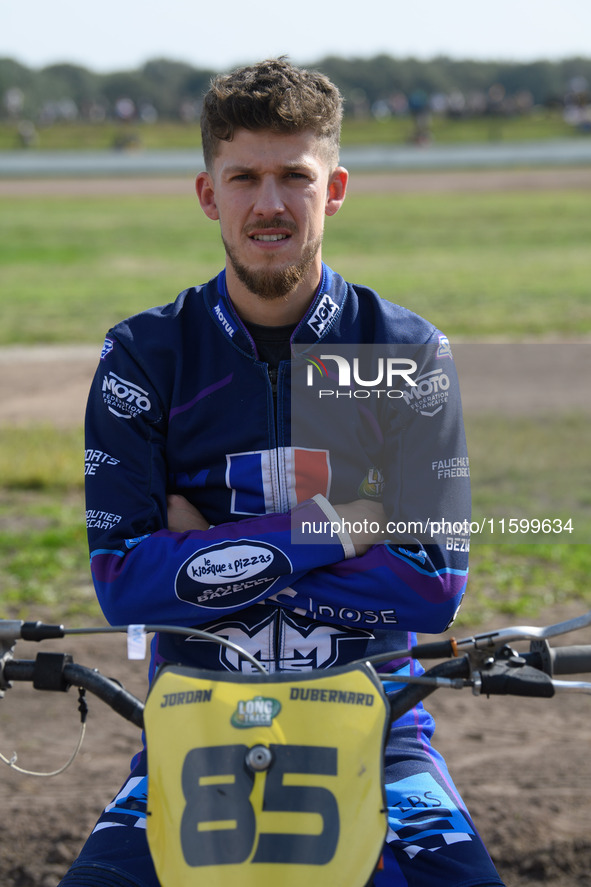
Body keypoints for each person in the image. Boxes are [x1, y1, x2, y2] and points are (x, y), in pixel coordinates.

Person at [60, 59, 504, 887]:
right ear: (208, 193)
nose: (269, 203)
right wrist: (331, 528)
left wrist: (203, 557)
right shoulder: (144, 358)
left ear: (332, 189)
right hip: (188, 730)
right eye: (244, 177)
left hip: (382, 742)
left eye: (293, 177)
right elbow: (122, 584)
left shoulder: (400, 351)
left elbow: (431, 586)